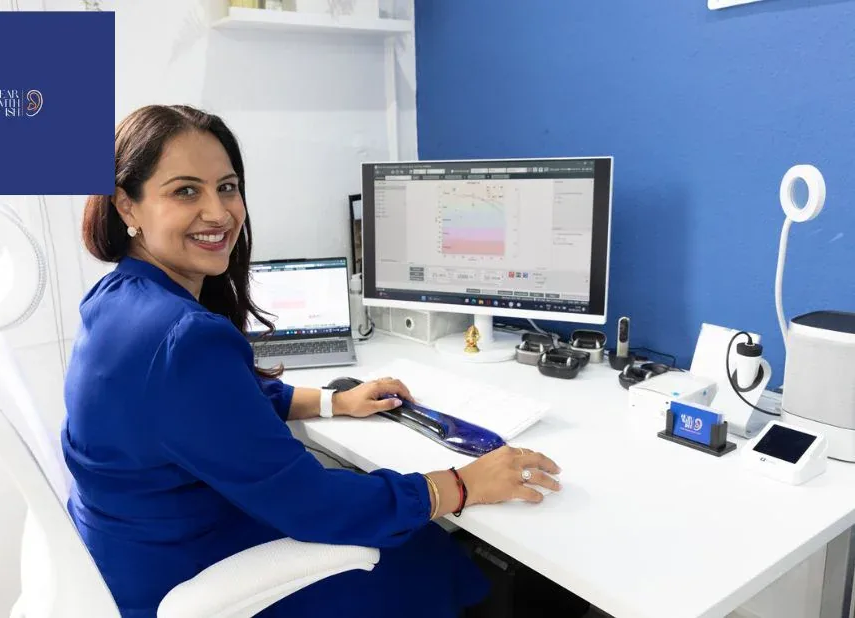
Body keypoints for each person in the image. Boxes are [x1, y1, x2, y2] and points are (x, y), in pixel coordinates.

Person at [63, 104, 562, 618]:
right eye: (185, 191)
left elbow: (221, 405)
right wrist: (460, 485)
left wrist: (333, 401)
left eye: (227, 187)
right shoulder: (182, 338)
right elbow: (311, 502)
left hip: (129, 558)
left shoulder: (117, 297)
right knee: (427, 551)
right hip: (184, 577)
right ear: (127, 206)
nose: (218, 212)